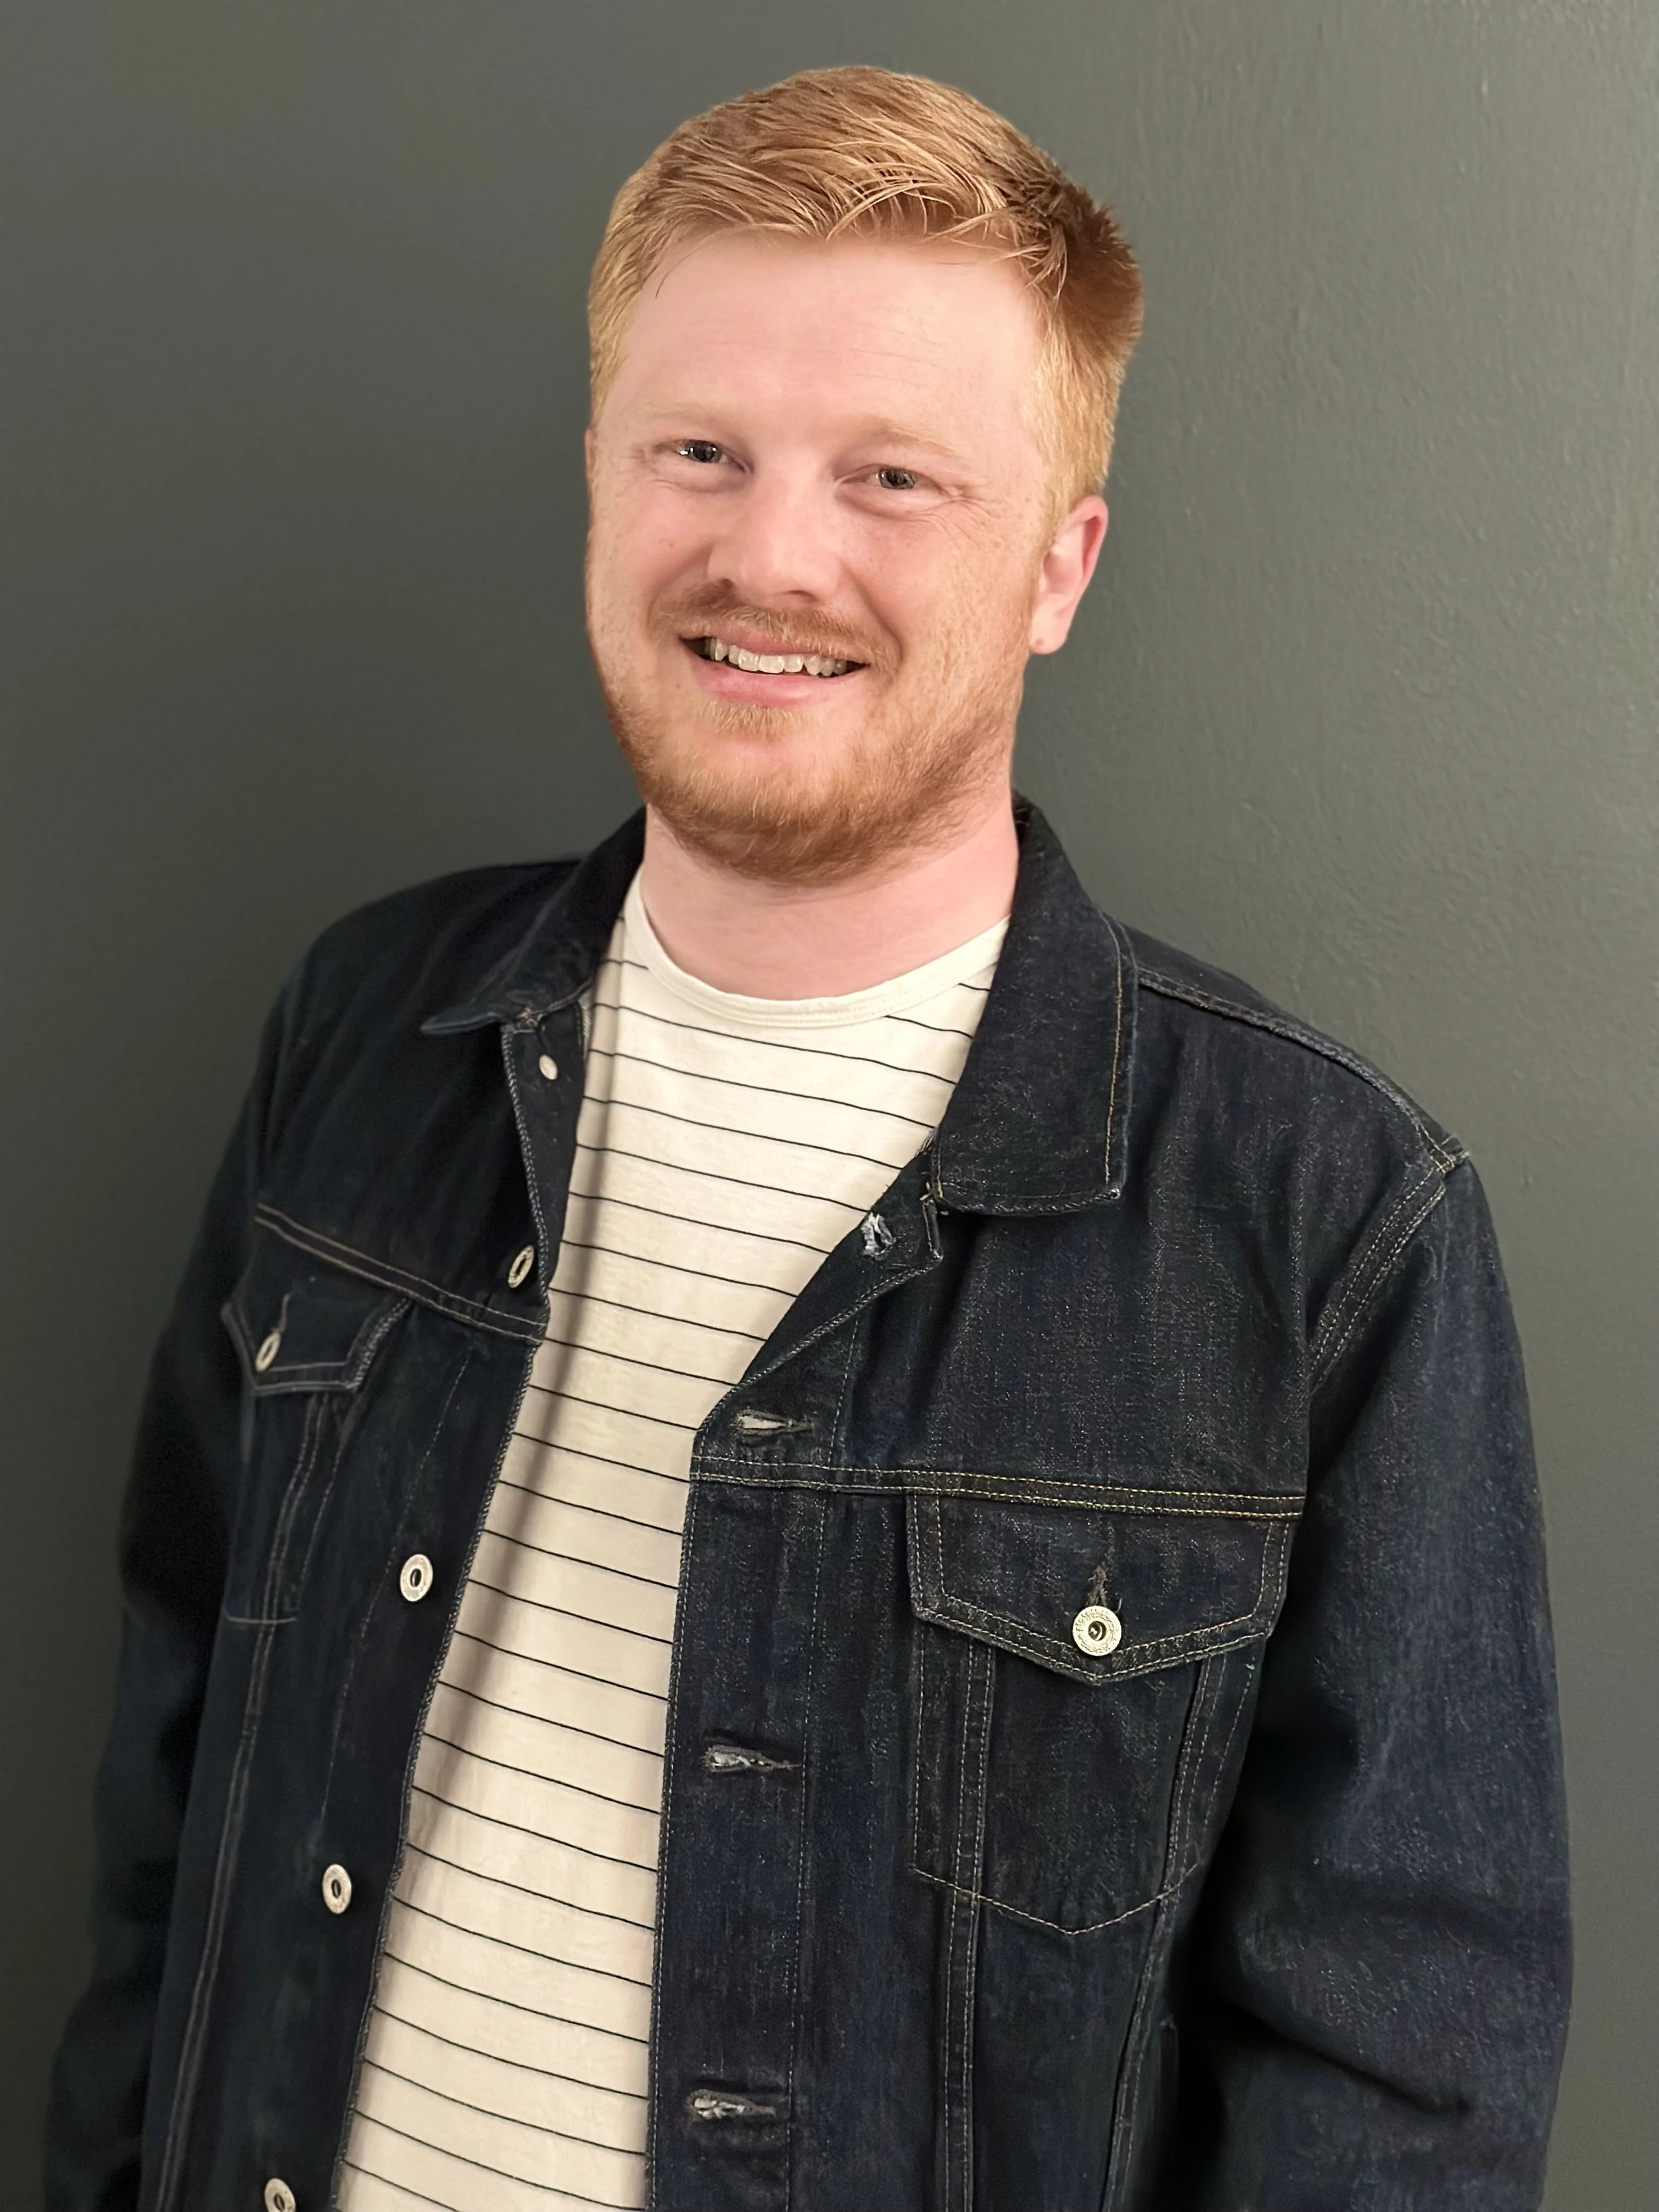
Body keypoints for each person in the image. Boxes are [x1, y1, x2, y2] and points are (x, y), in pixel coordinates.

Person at [46, 64, 1569, 2212]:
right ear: (595, 475)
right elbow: (169, 1805)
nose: (770, 553)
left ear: (1059, 566)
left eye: (891, 478)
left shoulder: (1324, 1224)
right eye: (699, 449)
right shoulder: (362, 1030)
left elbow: (1395, 2091)